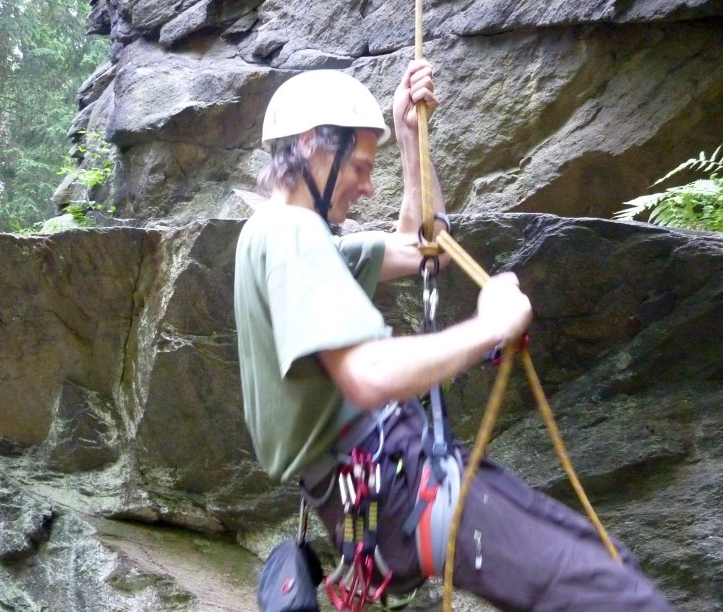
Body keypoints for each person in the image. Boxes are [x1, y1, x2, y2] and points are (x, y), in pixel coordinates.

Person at [234, 60, 672, 611]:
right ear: (312, 147)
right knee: (617, 597)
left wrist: (412, 139)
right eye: (362, 168)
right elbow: (367, 377)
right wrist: (491, 325)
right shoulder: (292, 235)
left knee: (609, 574)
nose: (369, 187)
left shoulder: (290, 239)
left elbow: (425, 250)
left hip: (384, 487)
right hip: (395, 486)